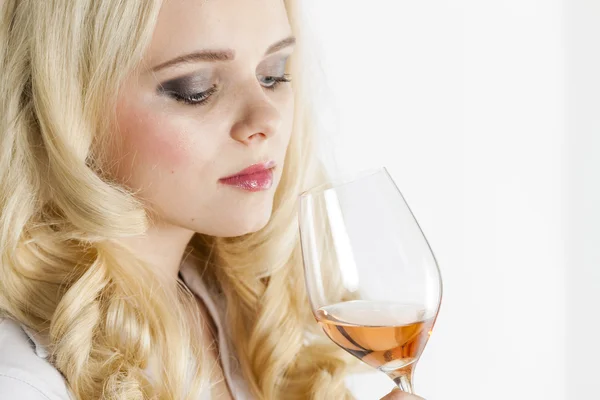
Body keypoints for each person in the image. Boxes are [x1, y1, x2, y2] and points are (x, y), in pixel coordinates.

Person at [0, 0, 426, 399]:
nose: (266, 120)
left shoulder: (235, 303)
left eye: (273, 74)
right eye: (196, 88)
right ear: (62, 105)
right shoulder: (23, 381)